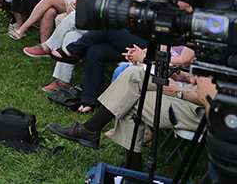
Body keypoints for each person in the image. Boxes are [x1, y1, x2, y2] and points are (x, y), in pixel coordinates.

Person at [47, 65, 204, 172]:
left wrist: (178, 91)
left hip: (202, 110)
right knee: (133, 74)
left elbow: (215, 100)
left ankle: (91, 131)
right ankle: (91, 132)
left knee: (131, 98)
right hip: (192, 90)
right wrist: (184, 76)